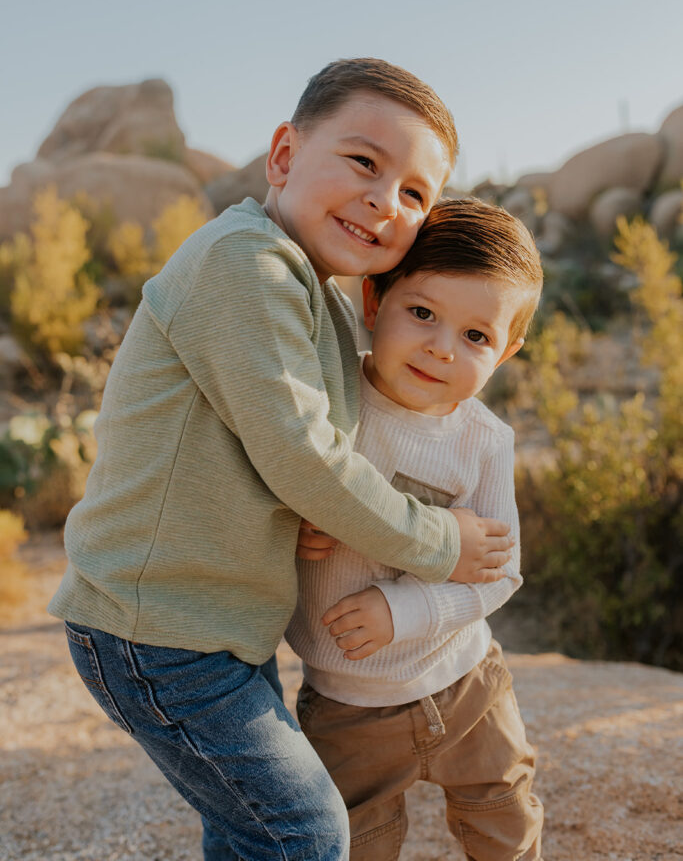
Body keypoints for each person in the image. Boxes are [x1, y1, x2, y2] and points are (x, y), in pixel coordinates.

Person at [48, 59, 515, 861]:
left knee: (254, 824)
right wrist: (440, 543)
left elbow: (292, 448)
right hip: (155, 625)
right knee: (300, 829)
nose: (383, 200)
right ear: (284, 156)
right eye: (364, 162)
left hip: (215, 625)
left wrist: (304, 518)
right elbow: (302, 452)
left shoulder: (321, 292)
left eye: (414, 193)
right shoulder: (245, 264)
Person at [289, 197, 545, 861]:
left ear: (506, 350)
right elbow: (270, 488)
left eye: (475, 336)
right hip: (346, 706)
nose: (440, 348)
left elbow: (501, 569)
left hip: (465, 685)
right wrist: (294, 531)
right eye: (422, 314)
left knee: (504, 823)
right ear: (374, 304)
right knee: (357, 842)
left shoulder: (484, 441)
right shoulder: (330, 402)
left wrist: (404, 609)